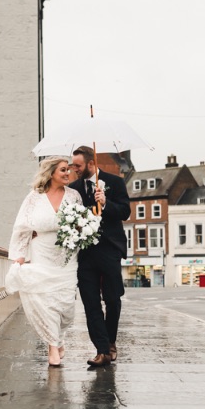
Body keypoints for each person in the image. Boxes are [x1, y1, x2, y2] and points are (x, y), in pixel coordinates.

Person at [5, 157, 81, 367]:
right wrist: (19, 256)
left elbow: (81, 224)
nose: (68, 173)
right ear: (51, 173)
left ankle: (58, 337)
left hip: (67, 257)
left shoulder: (74, 196)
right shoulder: (34, 198)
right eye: (63, 170)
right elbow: (22, 228)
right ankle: (52, 348)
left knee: (65, 306)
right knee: (46, 301)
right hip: (42, 254)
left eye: (69, 170)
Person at [69, 145, 129, 368]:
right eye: (73, 165)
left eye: (78, 165)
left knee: (112, 300)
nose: (74, 169)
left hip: (109, 249)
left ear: (91, 164)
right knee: (90, 302)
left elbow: (124, 212)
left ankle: (111, 341)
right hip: (85, 253)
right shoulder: (73, 189)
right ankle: (102, 350)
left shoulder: (115, 182)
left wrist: (105, 202)